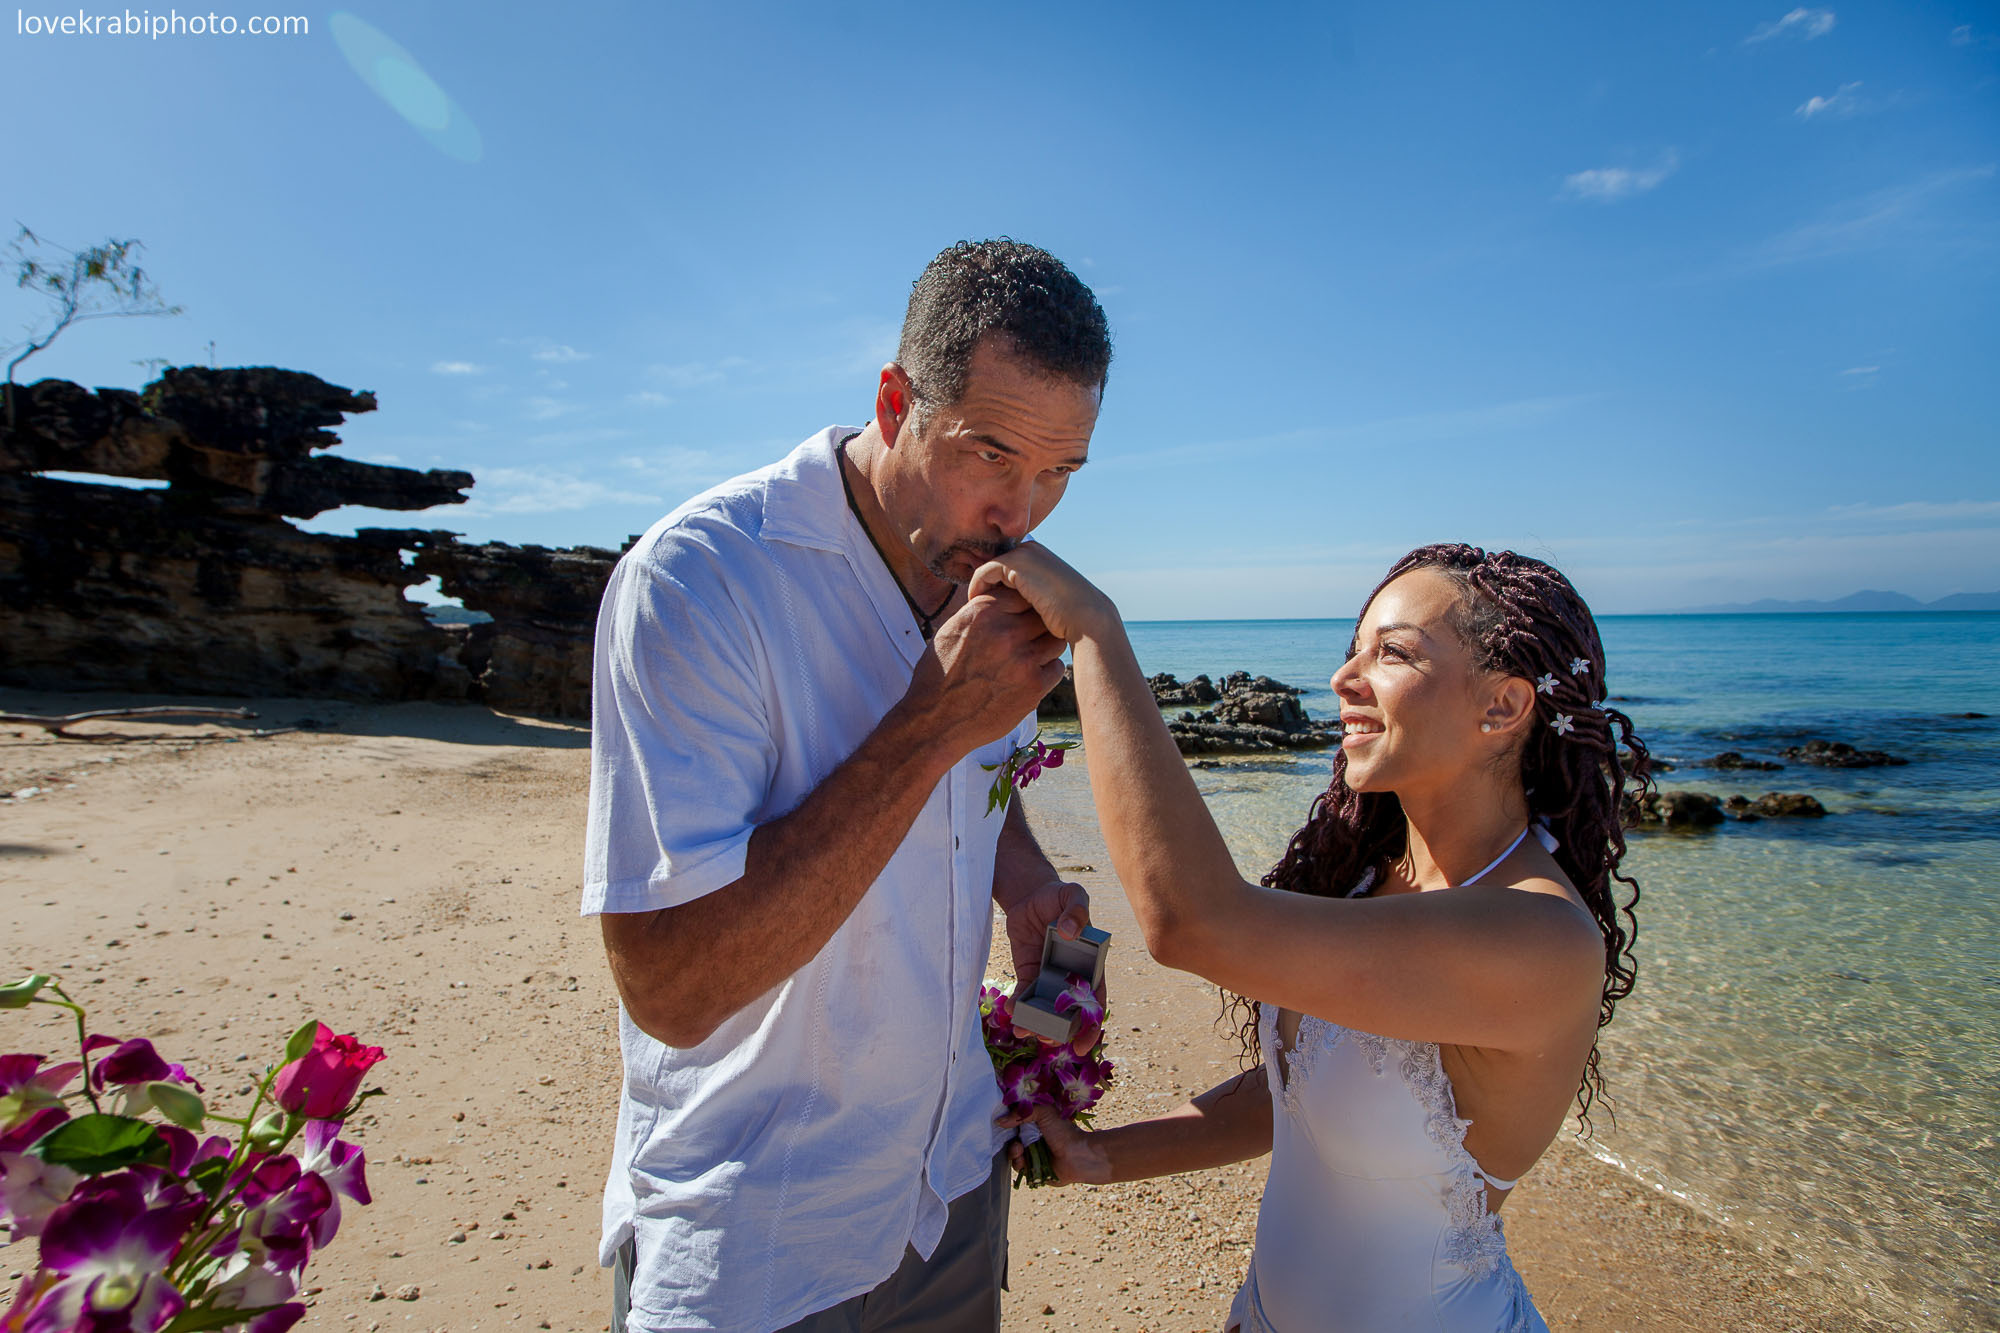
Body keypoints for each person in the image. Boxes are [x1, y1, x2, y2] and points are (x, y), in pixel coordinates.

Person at [580, 239, 1112, 1333]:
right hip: (753, 1230)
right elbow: (672, 990)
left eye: (1059, 472)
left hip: (950, 1188)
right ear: (894, 401)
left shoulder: (975, 570)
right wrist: (930, 723)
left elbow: (979, 771)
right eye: (992, 455)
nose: (1021, 513)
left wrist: (1020, 875)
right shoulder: (700, 581)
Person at [974, 542, 1651, 1333]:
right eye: (1353, 648)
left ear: (1502, 706)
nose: (1341, 678)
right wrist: (1106, 1155)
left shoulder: (1540, 937)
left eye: (1392, 652)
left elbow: (1191, 921)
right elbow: (1299, 1090)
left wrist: (1095, 630)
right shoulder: (1373, 877)